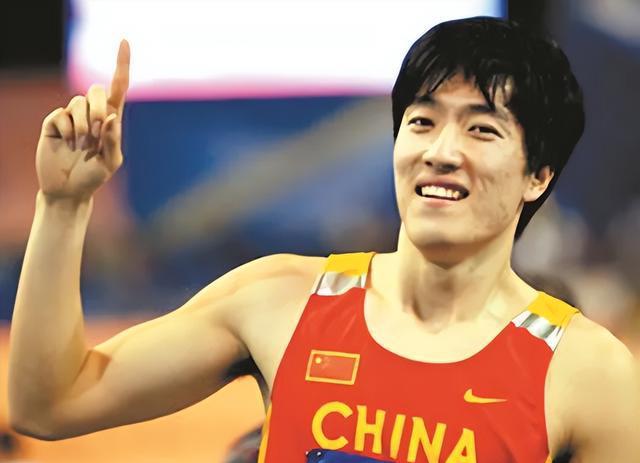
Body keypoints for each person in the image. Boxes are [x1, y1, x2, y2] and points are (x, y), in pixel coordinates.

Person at [8, 16, 640, 463]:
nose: (441, 152)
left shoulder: (591, 376)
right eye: (422, 121)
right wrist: (63, 205)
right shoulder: (277, 299)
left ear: (538, 175)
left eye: (482, 130)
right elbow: (50, 404)